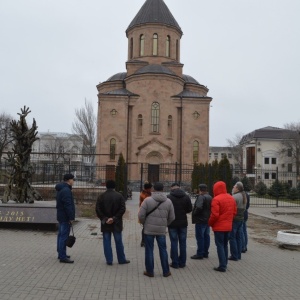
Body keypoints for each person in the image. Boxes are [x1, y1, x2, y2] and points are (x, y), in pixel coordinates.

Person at [138, 182, 175, 278]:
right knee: (163, 250)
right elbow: (172, 217)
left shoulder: (147, 200)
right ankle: (166, 271)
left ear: (153, 189)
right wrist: (165, 224)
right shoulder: (168, 201)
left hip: (148, 229)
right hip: (161, 230)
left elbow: (141, 215)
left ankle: (150, 272)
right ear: (163, 189)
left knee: (149, 250)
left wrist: (144, 223)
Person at [95, 180, 130, 265]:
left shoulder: (101, 196)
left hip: (105, 223)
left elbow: (98, 209)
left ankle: (109, 260)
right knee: (118, 241)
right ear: (114, 186)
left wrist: (105, 218)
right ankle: (121, 259)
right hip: (116, 223)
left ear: (106, 186)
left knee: (106, 241)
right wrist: (114, 218)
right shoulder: (119, 196)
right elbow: (122, 209)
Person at [208, 181, 237, 272]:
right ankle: (225, 263)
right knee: (225, 244)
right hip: (228, 226)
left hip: (219, 227)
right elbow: (234, 212)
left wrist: (210, 223)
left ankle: (222, 265)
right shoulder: (231, 198)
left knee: (219, 245)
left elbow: (215, 215)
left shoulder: (216, 199)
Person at [167, 183, 192, 268]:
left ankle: (175, 262)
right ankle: (182, 262)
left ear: (171, 188)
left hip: (172, 223)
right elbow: (189, 209)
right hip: (183, 223)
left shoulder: (169, 197)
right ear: (179, 188)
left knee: (174, 242)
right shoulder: (186, 196)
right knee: (183, 243)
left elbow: (166, 210)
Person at [55, 173, 76, 263]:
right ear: (69, 180)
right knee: (63, 236)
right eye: (73, 179)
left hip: (61, 215)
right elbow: (68, 205)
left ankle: (61, 253)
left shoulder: (61, 189)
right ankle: (63, 257)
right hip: (65, 217)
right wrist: (71, 217)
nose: (74, 181)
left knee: (60, 235)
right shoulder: (66, 191)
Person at [191, 183, 212, 260]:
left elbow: (199, 207)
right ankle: (205, 252)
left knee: (200, 237)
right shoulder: (210, 197)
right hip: (207, 219)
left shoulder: (201, 197)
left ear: (200, 190)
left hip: (200, 220)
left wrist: (194, 213)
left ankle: (200, 253)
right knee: (207, 236)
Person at [229, 181, 247, 261]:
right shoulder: (244, 195)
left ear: (237, 188)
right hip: (241, 218)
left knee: (232, 237)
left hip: (235, 219)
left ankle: (234, 255)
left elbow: (231, 209)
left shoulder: (235, 197)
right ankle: (238, 254)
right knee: (239, 237)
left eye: (234, 187)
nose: (233, 188)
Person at [139, 182, 153, 247]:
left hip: (148, 212)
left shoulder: (148, 193)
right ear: (147, 189)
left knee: (146, 227)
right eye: (150, 188)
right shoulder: (144, 195)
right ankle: (143, 241)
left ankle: (145, 240)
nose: (151, 189)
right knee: (145, 227)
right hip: (145, 213)